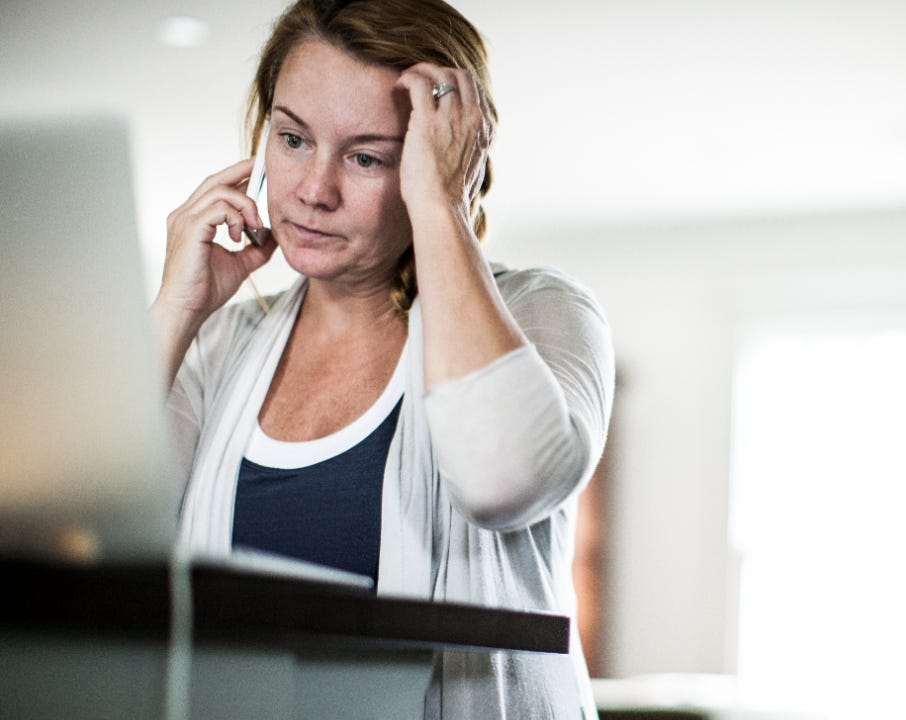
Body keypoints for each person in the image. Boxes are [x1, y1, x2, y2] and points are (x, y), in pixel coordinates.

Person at [150, 0, 614, 716]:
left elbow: (503, 481)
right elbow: (89, 533)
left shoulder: (544, 312)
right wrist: (175, 312)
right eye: (293, 138)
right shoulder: (222, 343)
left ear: (445, 158)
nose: (313, 190)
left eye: (368, 157)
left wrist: (442, 207)